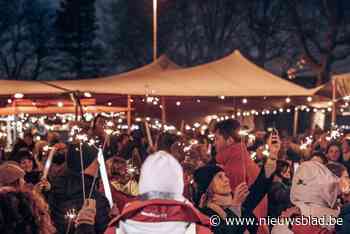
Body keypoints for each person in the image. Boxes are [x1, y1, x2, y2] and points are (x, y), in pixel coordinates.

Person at [76, 150, 213, 234]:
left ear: (144, 182)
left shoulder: (117, 229)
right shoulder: (199, 230)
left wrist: (85, 225)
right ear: (178, 184)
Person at [193, 138, 278, 234]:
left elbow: (259, 187)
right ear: (208, 186)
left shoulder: (237, 202)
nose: (226, 179)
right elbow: (225, 231)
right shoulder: (205, 214)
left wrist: (272, 156)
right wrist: (235, 207)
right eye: (219, 177)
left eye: (225, 176)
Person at [213, 119, 270, 234]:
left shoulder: (235, 165)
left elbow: (232, 205)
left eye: (217, 139)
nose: (214, 143)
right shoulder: (241, 158)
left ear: (229, 140)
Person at [47, 142, 110, 234]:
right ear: (85, 165)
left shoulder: (56, 187)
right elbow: (104, 229)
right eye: (96, 161)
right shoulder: (94, 198)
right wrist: (113, 219)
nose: (99, 165)